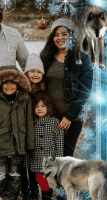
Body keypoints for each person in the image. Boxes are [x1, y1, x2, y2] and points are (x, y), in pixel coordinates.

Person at [0, 65, 34, 200]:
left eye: (13, 82)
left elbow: (29, 122)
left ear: (18, 83)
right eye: (5, 82)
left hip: (19, 144)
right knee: (0, 174)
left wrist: (29, 144)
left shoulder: (25, 98)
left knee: (16, 175)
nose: (9, 86)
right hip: (0, 144)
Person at [40, 18, 93, 157]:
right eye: (56, 34)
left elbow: (85, 91)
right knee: (47, 158)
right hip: (49, 116)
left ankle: (62, 180)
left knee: (65, 158)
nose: (60, 38)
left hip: (72, 119)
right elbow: (37, 84)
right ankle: (42, 179)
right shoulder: (45, 57)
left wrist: (69, 116)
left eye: (64, 34)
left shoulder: (82, 58)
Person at [28, 92, 64, 200]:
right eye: (36, 106)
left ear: (48, 107)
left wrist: (59, 158)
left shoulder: (54, 122)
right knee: (40, 178)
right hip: (36, 157)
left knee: (50, 179)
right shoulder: (31, 122)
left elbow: (59, 140)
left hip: (49, 157)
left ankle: (52, 199)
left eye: (43, 106)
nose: (39, 109)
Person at [20, 53, 45, 200]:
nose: (35, 75)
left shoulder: (44, 92)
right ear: (26, 73)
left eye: (38, 71)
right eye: (32, 71)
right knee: (23, 165)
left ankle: (39, 192)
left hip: (38, 136)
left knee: (36, 168)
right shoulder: (21, 91)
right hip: (24, 134)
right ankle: (25, 191)